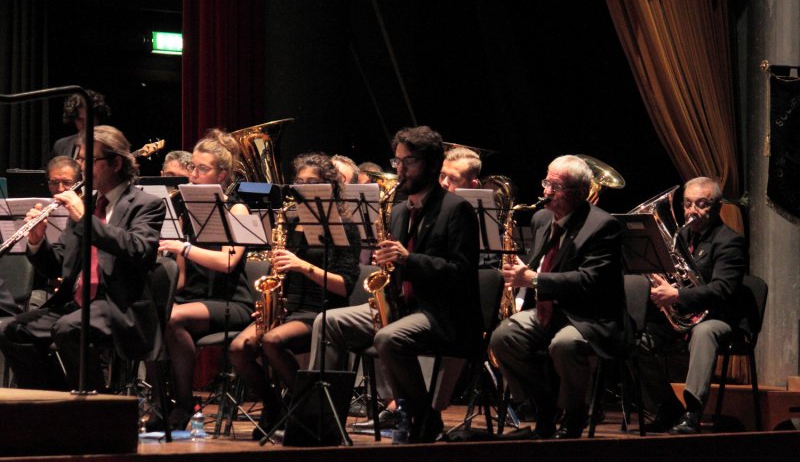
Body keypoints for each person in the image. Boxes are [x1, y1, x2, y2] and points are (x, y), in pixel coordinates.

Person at [309, 125, 481, 443]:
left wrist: (407, 260)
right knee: (327, 321)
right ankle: (324, 418)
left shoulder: (457, 210)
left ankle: (424, 416)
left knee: (388, 338)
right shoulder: (399, 211)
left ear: (431, 164)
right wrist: (387, 269)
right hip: (404, 306)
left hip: (443, 313)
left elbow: (461, 272)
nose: (400, 170)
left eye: (408, 162)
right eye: (397, 162)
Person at [0, 125, 165, 390]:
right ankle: (57, 401)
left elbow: (138, 250)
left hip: (119, 304)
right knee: (10, 331)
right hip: (76, 303)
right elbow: (58, 265)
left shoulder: (146, 205)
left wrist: (85, 220)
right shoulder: (86, 204)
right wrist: (37, 241)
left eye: (90, 160)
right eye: (79, 158)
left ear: (116, 163)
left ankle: (97, 408)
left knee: (69, 329)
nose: (82, 167)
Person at [488, 155, 625, 439]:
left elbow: (590, 281)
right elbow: (543, 260)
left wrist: (535, 280)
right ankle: (544, 408)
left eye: (555, 186)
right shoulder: (541, 218)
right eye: (546, 182)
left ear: (578, 193)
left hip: (589, 316)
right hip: (548, 308)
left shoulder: (603, 226)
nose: (545, 192)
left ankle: (574, 416)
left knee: (564, 344)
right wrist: (521, 272)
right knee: (503, 337)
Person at [229, 152, 361, 438]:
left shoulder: (344, 227)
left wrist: (303, 266)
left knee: (272, 341)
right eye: (299, 182)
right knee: (239, 348)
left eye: (312, 182)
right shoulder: (288, 221)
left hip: (321, 310)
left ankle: (303, 408)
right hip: (289, 308)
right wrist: (269, 304)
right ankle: (275, 406)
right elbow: (282, 275)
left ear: (330, 185)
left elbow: (345, 285)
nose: (303, 188)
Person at [157, 128, 254, 429]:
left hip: (231, 302)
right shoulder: (186, 211)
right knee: (154, 316)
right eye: (192, 168)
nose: (194, 174)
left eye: (202, 168)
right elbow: (183, 279)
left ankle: (185, 402)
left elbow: (228, 261)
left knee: (173, 318)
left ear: (222, 174)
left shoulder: (237, 208)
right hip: (196, 300)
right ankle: (164, 401)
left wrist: (183, 246)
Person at [637, 177, 746, 435]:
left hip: (719, 316)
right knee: (634, 338)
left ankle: (693, 412)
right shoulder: (681, 235)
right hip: (686, 315)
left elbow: (723, 289)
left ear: (716, 206)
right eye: (687, 204)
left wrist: (676, 295)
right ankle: (667, 406)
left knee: (704, 333)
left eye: (700, 204)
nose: (691, 211)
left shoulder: (729, 241)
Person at [27, 156, 84, 310]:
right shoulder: (50, 208)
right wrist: (36, 241)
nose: (60, 189)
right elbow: (55, 266)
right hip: (60, 293)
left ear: (80, 182)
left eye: (67, 183)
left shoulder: (86, 211)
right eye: (54, 183)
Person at [50, 90, 111, 161]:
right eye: (80, 119)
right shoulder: (60, 145)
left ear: (98, 118)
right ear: (73, 119)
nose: (85, 124)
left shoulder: (110, 146)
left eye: (89, 118)